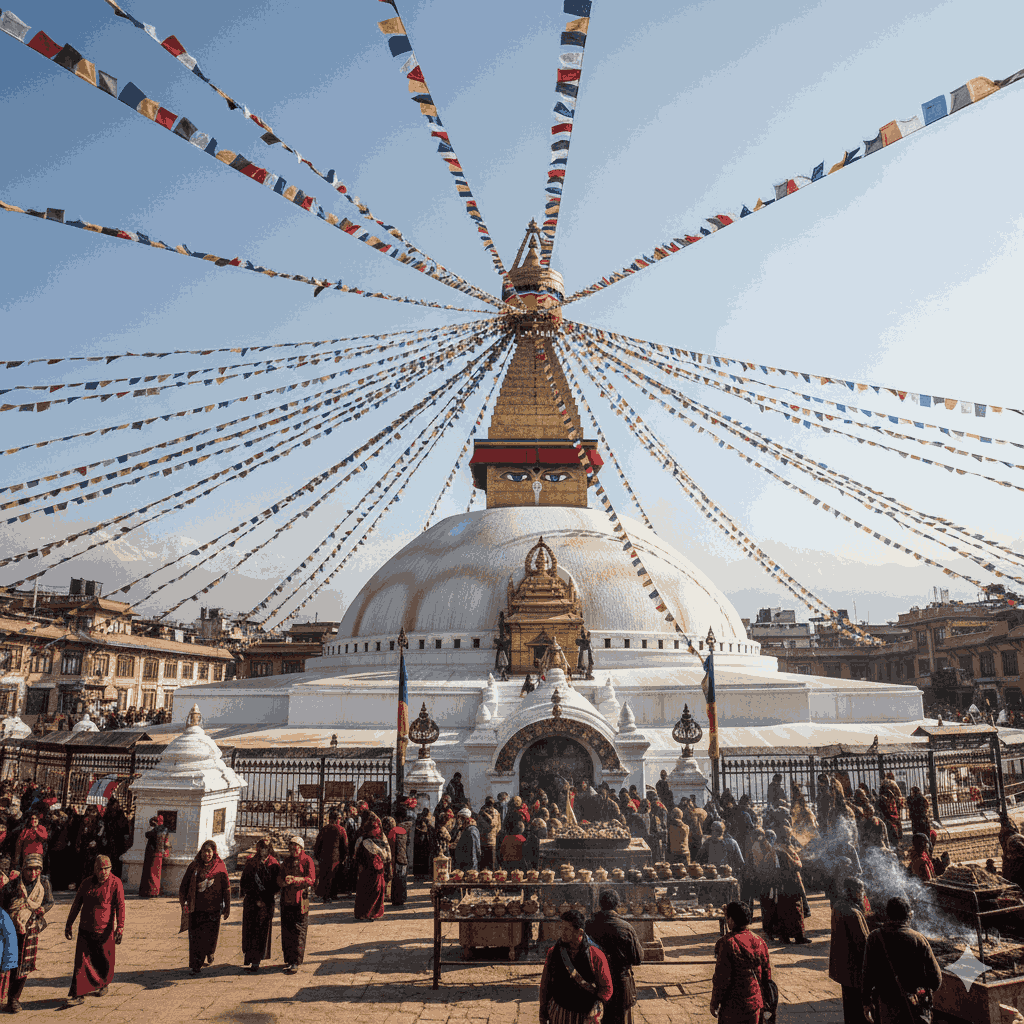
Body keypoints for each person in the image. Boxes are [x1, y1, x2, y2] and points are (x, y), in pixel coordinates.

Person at [862, 896, 941, 1024]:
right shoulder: (918, 939)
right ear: (909, 916)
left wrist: (866, 1002)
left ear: (888, 915)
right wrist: (921, 990)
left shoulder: (874, 937)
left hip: (886, 1006)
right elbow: (936, 980)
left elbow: (867, 974)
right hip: (913, 1006)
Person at [62, 854, 125, 1007]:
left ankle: (103, 984)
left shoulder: (115, 883)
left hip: (105, 931)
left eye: (106, 869)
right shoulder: (86, 883)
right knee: (81, 964)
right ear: (95, 870)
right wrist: (69, 924)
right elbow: (77, 904)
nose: (103, 872)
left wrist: (120, 926)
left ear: (111, 868)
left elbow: (120, 906)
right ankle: (78, 994)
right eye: (100, 869)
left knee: (103, 960)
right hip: (85, 929)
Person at [0, 852, 53, 1012]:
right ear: (23, 869)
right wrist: (16, 917)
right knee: (8, 963)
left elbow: (49, 901)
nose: (33, 873)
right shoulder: (12, 885)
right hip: (11, 929)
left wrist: (41, 909)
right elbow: (2, 905)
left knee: (24, 965)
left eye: (37, 869)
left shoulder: (43, 883)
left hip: (31, 930)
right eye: (30, 869)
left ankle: (14, 999)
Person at [539, 910, 613, 1024]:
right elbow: (545, 984)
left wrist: (595, 1008)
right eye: (561, 928)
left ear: (580, 932)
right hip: (559, 1011)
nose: (562, 932)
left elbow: (607, 988)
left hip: (586, 1014)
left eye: (566, 929)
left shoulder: (595, 955)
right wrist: (543, 1009)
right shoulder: (553, 952)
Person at [585, 889, 643, 1024]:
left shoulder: (588, 925)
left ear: (599, 904)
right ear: (617, 905)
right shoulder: (626, 928)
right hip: (620, 984)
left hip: (596, 983)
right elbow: (638, 958)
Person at [710, 901, 772, 1024]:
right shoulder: (759, 941)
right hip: (755, 1004)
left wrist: (714, 1003)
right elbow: (766, 974)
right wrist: (766, 1000)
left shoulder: (727, 943)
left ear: (731, 920)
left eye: (727, 917)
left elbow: (721, 979)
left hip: (732, 1007)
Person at [179, 840, 231, 976]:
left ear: (213, 852)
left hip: (214, 910)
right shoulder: (194, 866)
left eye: (209, 851)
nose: (206, 854)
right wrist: (184, 903)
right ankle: (196, 965)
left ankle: (210, 952)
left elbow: (226, 888)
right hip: (196, 909)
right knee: (196, 939)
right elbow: (184, 886)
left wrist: (227, 907)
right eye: (204, 851)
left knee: (211, 937)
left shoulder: (220, 867)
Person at [829, 876, 870, 1024]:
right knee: (857, 1006)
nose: (863, 893)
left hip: (843, 966)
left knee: (849, 1004)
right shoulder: (852, 913)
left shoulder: (838, 905)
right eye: (861, 890)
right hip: (854, 968)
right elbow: (863, 943)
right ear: (853, 891)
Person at [240, 838, 279, 974]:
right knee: (249, 930)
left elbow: (276, 885)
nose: (263, 850)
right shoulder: (251, 862)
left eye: (266, 848)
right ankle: (249, 957)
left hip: (266, 903)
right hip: (251, 902)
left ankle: (256, 960)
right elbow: (244, 882)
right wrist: (254, 897)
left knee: (261, 931)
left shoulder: (274, 864)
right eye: (261, 847)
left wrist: (264, 899)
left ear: (269, 849)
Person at [276, 836, 314, 974]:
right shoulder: (286, 861)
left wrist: (296, 880)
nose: (293, 849)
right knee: (287, 930)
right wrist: (284, 882)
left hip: (301, 900)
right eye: (291, 847)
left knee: (299, 931)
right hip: (287, 900)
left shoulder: (307, 860)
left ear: (301, 848)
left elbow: (311, 879)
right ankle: (289, 959)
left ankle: (296, 961)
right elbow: (279, 878)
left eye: (296, 847)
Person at [352, 817, 390, 922]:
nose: (377, 830)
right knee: (366, 893)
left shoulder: (381, 839)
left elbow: (387, 855)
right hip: (366, 871)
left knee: (377, 892)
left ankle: (374, 913)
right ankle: (364, 914)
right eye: (375, 828)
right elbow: (356, 855)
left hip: (378, 871)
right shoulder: (362, 840)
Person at [312, 810, 347, 904]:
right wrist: (344, 856)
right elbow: (345, 844)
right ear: (338, 819)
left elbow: (318, 843)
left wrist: (317, 855)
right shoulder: (341, 829)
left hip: (324, 856)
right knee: (333, 876)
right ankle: (332, 895)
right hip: (336, 856)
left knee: (325, 876)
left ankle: (326, 895)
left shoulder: (324, 829)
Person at [139, 815, 171, 898]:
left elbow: (147, 834)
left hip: (152, 853)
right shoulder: (165, 830)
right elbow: (166, 842)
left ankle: (150, 892)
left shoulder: (154, 830)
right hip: (159, 853)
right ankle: (155, 891)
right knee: (156, 874)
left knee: (150, 874)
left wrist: (153, 828)